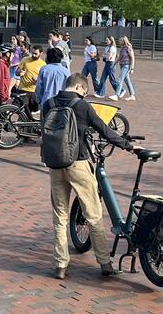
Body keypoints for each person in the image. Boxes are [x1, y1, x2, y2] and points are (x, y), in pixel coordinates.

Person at [43, 73, 135, 279]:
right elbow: (103, 129)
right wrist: (127, 145)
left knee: (60, 216)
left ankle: (60, 264)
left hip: (55, 164)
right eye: (84, 91)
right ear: (79, 87)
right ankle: (104, 262)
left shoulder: (48, 104)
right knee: (93, 214)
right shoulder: (81, 105)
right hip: (79, 162)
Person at [14, 45, 46, 111]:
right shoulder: (25, 60)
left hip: (34, 92)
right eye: (32, 53)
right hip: (23, 89)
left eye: (36, 54)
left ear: (41, 53)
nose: (33, 55)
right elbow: (17, 72)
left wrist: (38, 79)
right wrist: (20, 73)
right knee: (16, 109)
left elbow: (44, 80)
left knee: (30, 113)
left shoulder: (43, 64)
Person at [114, 36, 136, 101]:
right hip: (122, 65)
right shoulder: (122, 48)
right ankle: (132, 95)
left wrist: (132, 68)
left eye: (120, 41)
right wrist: (114, 63)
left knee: (120, 79)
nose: (119, 42)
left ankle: (117, 95)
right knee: (127, 81)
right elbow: (120, 57)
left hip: (126, 66)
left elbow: (132, 58)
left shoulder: (128, 48)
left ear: (123, 41)